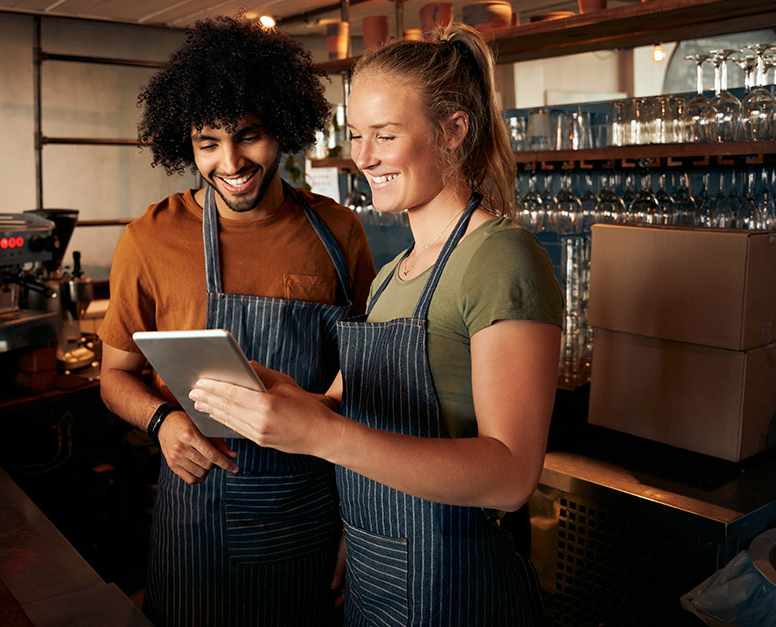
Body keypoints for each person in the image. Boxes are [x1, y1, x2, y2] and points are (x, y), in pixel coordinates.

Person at [189, 22, 563, 626]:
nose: (363, 157)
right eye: (358, 135)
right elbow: (347, 412)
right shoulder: (392, 275)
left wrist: (319, 434)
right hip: (375, 573)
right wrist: (285, 397)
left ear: (453, 130)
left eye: (385, 135)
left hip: (459, 587)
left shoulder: (501, 257)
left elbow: (511, 475)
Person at [97, 15, 377, 627]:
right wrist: (164, 421)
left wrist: (358, 526)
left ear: (282, 126)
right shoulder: (149, 239)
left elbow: (362, 390)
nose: (230, 162)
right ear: (186, 145)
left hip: (312, 509)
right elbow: (114, 376)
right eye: (207, 145)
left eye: (248, 136)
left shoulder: (337, 233)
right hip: (198, 511)